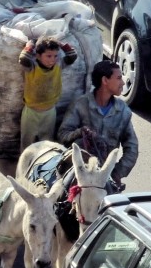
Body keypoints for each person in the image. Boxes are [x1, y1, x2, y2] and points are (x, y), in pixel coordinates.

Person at [57, 60, 139, 188]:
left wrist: (116, 173)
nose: (122, 82)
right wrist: (79, 133)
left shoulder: (123, 112)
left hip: (104, 177)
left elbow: (132, 148)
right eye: (118, 78)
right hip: (78, 173)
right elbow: (63, 134)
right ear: (105, 80)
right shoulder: (80, 105)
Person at [18, 36, 77, 151]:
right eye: (48, 56)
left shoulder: (58, 65)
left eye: (55, 56)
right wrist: (31, 44)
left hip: (50, 112)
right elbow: (23, 59)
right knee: (27, 143)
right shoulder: (32, 66)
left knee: (47, 144)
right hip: (31, 112)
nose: (52, 60)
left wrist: (59, 43)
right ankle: (25, 166)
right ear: (38, 56)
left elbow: (72, 55)